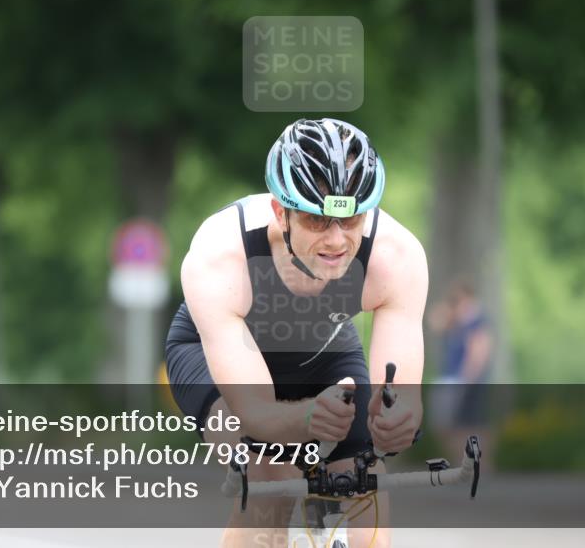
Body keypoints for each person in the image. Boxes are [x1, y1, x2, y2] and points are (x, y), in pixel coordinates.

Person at [165, 118, 428, 548]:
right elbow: (256, 413)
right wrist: (305, 418)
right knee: (271, 473)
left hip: (324, 347)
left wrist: (396, 419)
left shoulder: (396, 257)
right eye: (316, 221)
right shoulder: (220, 256)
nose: (337, 241)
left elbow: (401, 398)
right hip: (211, 351)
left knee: (365, 481)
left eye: (351, 219)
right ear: (279, 211)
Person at [427, 277, 494, 463]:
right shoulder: (455, 321)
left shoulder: (477, 322)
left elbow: (479, 352)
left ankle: (479, 465)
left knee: (471, 426)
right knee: (447, 426)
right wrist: (449, 307)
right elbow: (434, 322)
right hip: (450, 379)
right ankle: (461, 462)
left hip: (466, 381)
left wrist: (468, 379)